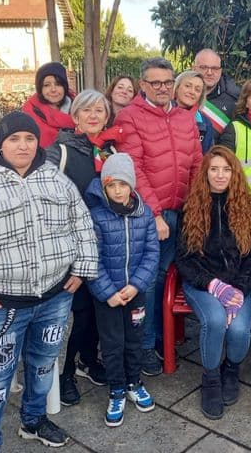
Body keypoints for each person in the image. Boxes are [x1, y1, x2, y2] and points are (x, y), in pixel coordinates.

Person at [0, 111, 98, 452]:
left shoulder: (56, 180)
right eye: (14, 139)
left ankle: (33, 420)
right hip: (1, 306)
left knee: (44, 364)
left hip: (55, 298)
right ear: (1, 144)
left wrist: (81, 269)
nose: (23, 145)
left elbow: (82, 225)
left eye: (29, 138)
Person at [118, 57, 202, 376]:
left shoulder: (184, 117)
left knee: (170, 274)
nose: (163, 88)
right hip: (152, 214)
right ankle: (145, 345)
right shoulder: (131, 116)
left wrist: (196, 205)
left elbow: (196, 161)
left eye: (167, 82)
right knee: (150, 280)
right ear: (143, 85)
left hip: (182, 210)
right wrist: (154, 213)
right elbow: (134, 168)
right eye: (156, 83)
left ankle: (166, 336)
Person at [45, 89, 121, 405]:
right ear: (75, 116)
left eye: (99, 111)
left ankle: (88, 361)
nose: (93, 116)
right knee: (74, 313)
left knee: (93, 311)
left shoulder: (109, 151)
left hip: (103, 246)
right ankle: (62, 378)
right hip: (70, 248)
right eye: (86, 110)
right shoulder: (58, 151)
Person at [176, 146, 251, 420]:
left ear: (235, 173)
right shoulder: (190, 207)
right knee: (213, 321)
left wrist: (237, 289)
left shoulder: (248, 206)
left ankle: (231, 370)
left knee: (237, 330)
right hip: (203, 285)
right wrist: (214, 286)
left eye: (226, 169)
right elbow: (184, 259)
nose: (220, 175)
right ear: (205, 173)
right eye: (214, 169)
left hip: (239, 284)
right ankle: (211, 379)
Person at [84, 153, 159, 427]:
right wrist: (108, 292)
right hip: (108, 297)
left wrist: (135, 284)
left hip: (135, 292)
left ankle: (133, 381)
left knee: (134, 340)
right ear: (104, 186)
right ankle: (116, 389)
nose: (118, 190)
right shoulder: (97, 217)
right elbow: (92, 259)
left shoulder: (145, 214)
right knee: (113, 344)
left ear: (132, 185)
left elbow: (152, 253)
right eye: (112, 185)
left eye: (123, 184)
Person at [22, 61, 76, 148]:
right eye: (47, 85)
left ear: (65, 87)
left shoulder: (79, 109)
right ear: (40, 88)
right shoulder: (29, 113)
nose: (53, 89)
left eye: (58, 84)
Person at [193, 48, 240, 134]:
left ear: (220, 71)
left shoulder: (234, 99)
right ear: (194, 69)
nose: (210, 73)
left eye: (215, 68)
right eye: (204, 67)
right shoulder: (180, 95)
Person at [174, 70, 215, 153]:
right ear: (177, 88)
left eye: (197, 90)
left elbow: (206, 156)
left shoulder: (205, 123)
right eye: (188, 86)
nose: (192, 92)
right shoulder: (160, 113)